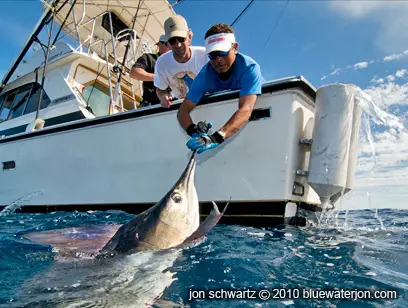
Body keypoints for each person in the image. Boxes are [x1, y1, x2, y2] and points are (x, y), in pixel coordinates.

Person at [177, 23, 264, 154]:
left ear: (235, 48)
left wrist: (216, 137)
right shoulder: (204, 76)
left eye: (222, 52)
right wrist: (193, 130)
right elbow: (183, 111)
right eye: (212, 55)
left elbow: (246, 109)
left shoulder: (250, 68)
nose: (218, 59)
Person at [154, 15, 208, 108]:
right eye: (172, 41)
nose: (178, 44)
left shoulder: (206, 55)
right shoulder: (161, 63)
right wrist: (163, 97)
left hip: (208, 102)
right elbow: (160, 89)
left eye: (181, 39)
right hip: (182, 107)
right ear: (168, 44)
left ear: (189, 37)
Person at [130, 35, 171, 107]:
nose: (169, 48)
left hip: (171, 105)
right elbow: (134, 72)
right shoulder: (149, 58)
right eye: (167, 44)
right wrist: (158, 78)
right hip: (150, 105)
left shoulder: (176, 64)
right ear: (159, 44)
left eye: (171, 45)